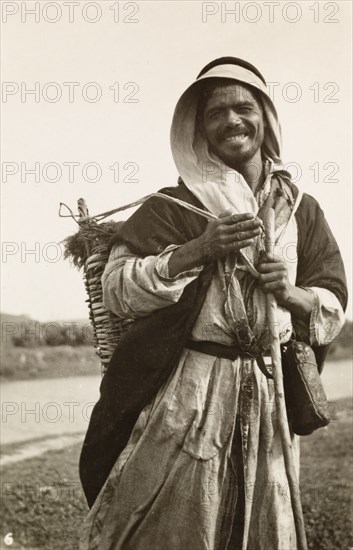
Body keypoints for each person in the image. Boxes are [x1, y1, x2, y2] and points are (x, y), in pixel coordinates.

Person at [79, 57, 347, 550]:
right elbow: (117, 290)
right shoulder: (171, 205)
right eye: (215, 113)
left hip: (270, 396)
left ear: (265, 118)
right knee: (176, 527)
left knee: (266, 525)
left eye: (244, 107)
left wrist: (291, 294)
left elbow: (332, 301)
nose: (231, 121)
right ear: (197, 129)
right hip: (189, 395)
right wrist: (198, 249)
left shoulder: (300, 208)